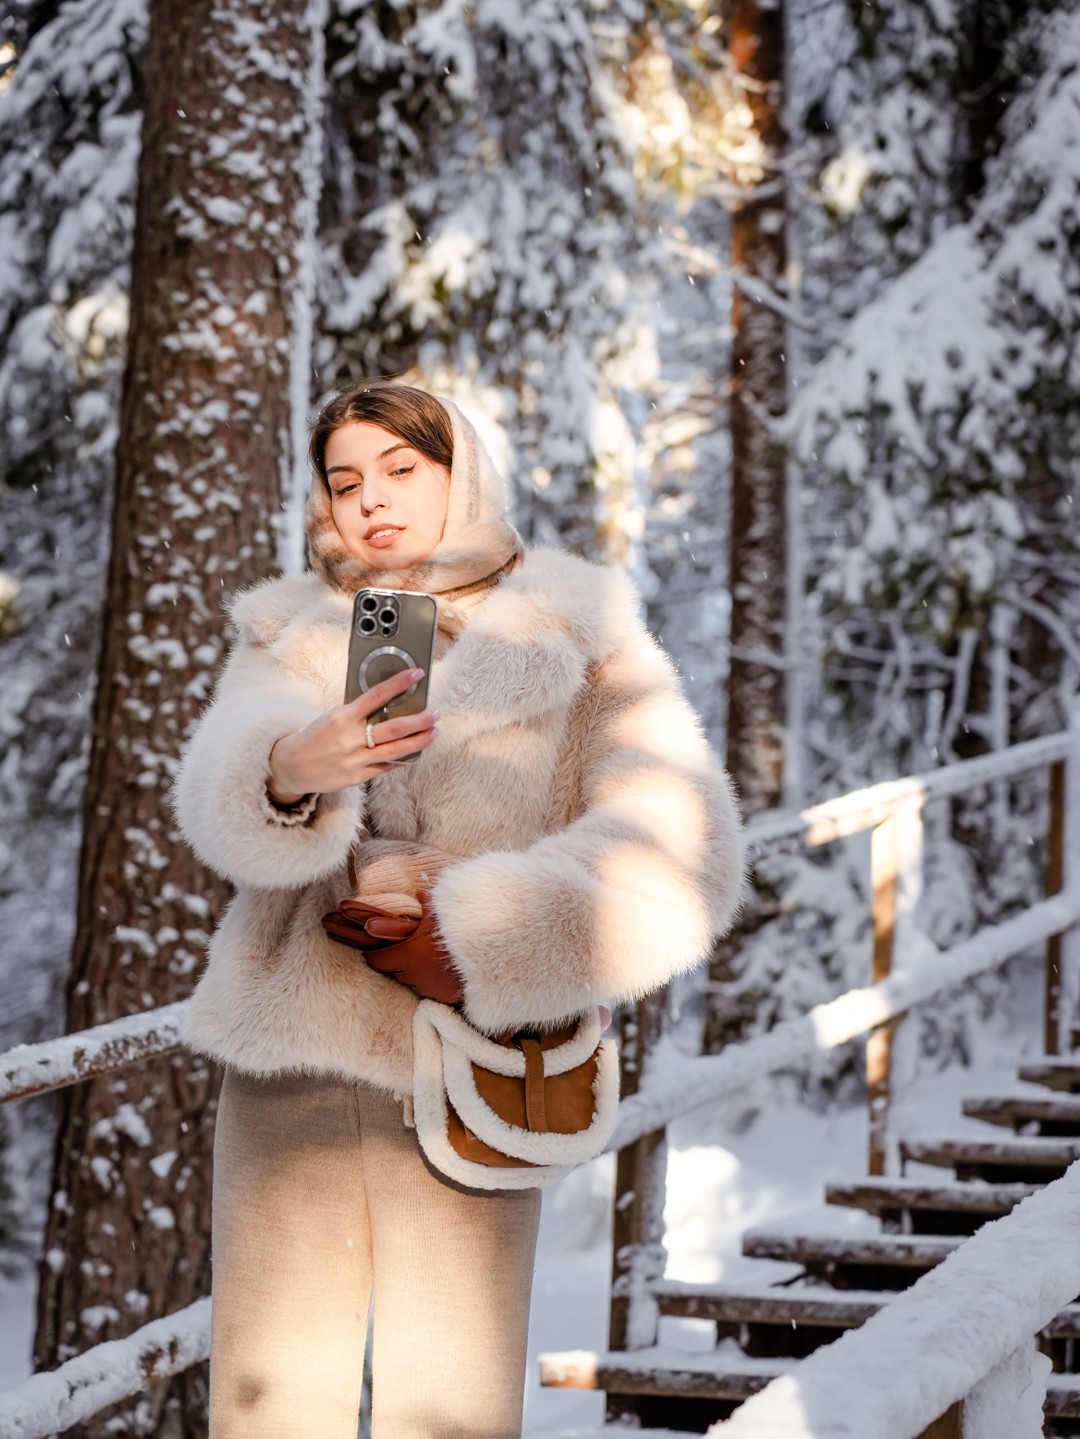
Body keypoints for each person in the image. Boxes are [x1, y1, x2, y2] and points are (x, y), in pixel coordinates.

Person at [171, 382, 747, 1439]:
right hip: (287, 1074)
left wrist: (479, 936)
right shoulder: (290, 629)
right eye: (344, 481)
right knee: (266, 1411)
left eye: (401, 470)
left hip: (470, 1075)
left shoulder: (579, 629)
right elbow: (219, 788)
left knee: (451, 1412)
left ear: (462, 471)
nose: (371, 502)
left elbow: (686, 848)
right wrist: (289, 768)